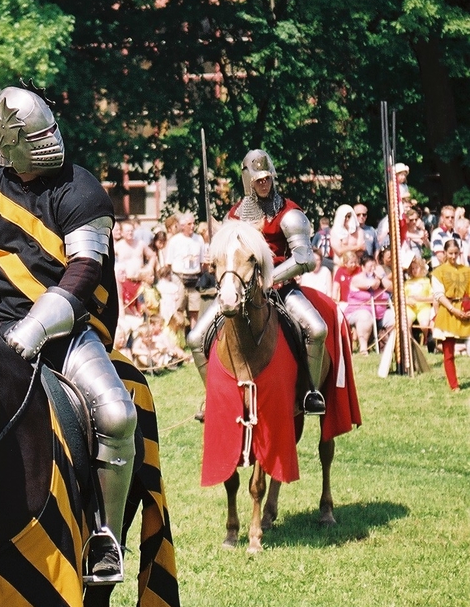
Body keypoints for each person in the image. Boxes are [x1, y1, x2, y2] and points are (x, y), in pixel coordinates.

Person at [0, 83, 136, 583]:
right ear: (10, 144)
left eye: (49, 129)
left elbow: (82, 273)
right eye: (38, 135)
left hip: (65, 334)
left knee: (117, 414)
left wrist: (34, 328)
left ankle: (106, 537)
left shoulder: (82, 190)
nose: (51, 140)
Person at [188, 149, 327, 416]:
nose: (263, 183)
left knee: (317, 329)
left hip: (280, 288)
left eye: (267, 178)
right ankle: (212, 397)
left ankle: (310, 391)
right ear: (248, 181)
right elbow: (225, 252)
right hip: (241, 289)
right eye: (258, 179)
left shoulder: (289, 214)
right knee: (195, 337)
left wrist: (269, 278)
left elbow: (305, 258)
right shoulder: (236, 215)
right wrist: (212, 254)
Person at [431, 238, 470, 390]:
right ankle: (454, 385)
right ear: (445, 253)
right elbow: (439, 295)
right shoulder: (438, 272)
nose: (453, 256)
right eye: (450, 253)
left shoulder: (466, 270)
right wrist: (454, 310)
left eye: (456, 253)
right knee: (448, 352)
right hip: (448, 312)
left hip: (466, 309)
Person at [344, 255, 394, 356]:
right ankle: (363, 349)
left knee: (395, 317)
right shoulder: (357, 279)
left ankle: (393, 347)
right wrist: (378, 278)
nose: (373, 269)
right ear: (362, 267)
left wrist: (383, 277)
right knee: (365, 316)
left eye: (374, 267)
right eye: (370, 267)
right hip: (357, 312)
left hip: (380, 314)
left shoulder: (380, 278)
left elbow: (392, 288)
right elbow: (373, 285)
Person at [164, 212, 207, 329]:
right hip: (179, 277)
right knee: (179, 308)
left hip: (195, 277)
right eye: (189, 224)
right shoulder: (175, 240)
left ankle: (193, 337)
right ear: (182, 226)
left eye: (193, 223)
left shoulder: (199, 239)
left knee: (195, 310)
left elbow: (203, 261)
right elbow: (168, 263)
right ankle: (178, 337)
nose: (192, 226)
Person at [404, 257, 434, 333]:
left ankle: (426, 338)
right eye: (412, 268)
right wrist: (407, 301)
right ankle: (409, 342)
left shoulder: (427, 281)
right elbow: (402, 297)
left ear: (422, 268)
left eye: (416, 268)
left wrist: (421, 299)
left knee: (424, 325)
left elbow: (433, 298)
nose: (414, 270)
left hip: (423, 307)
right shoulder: (407, 282)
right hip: (410, 307)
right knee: (406, 323)